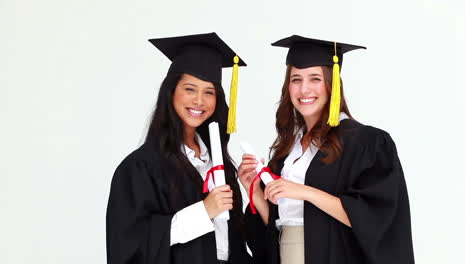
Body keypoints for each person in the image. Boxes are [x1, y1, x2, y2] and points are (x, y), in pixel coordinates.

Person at [239, 35, 414, 264]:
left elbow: (375, 217)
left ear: (332, 84)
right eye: (296, 79)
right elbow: (274, 228)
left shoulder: (365, 142)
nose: (304, 89)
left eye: (315, 79)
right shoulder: (287, 152)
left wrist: (305, 191)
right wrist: (253, 192)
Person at [106, 32, 252, 264]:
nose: (199, 101)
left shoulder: (219, 164)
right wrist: (204, 211)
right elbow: (130, 244)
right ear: (171, 92)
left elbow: (235, 242)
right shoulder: (140, 167)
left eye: (209, 92)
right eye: (190, 89)